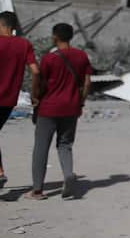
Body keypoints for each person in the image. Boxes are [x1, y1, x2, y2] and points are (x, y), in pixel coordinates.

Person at [28, 23, 91, 200]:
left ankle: (38, 190)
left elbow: (41, 82)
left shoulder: (49, 58)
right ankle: (68, 174)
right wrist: (81, 103)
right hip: (71, 108)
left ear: (55, 36)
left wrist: (35, 98)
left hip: (49, 108)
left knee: (41, 147)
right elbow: (87, 83)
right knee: (65, 145)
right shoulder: (81, 56)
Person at [0, 11, 39, 194]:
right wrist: (35, 95)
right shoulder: (24, 44)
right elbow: (35, 71)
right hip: (8, 101)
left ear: (2, 26)